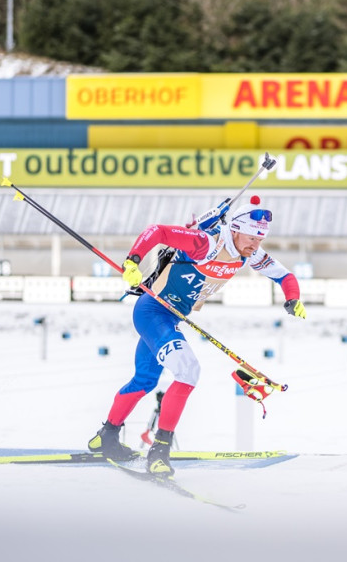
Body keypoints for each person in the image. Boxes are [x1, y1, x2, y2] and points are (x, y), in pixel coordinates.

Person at [87, 195, 306, 477]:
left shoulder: (250, 253)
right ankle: (159, 451)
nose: (255, 245)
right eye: (252, 237)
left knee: (145, 380)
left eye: (260, 239)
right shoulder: (206, 243)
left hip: (170, 317)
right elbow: (158, 231)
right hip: (153, 312)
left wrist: (292, 298)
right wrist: (133, 262)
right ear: (235, 229)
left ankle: (106, 437)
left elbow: (284, 276)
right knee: (188, 371)